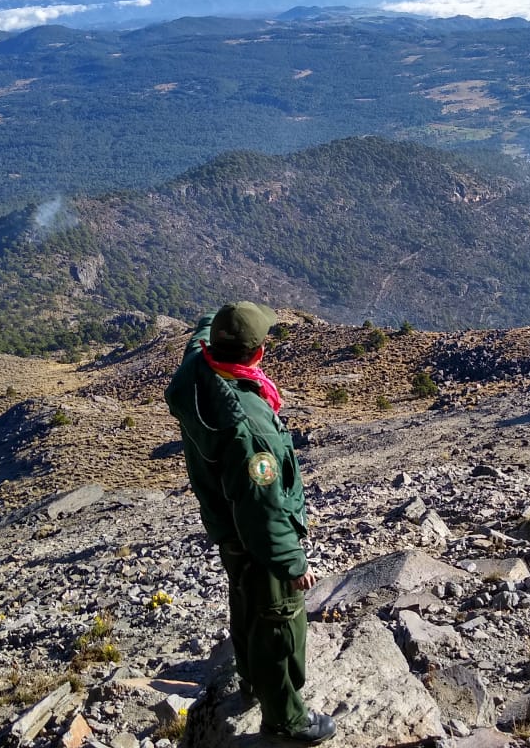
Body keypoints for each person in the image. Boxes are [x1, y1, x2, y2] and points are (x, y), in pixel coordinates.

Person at [165, 302, 336, 744]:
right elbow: (261, 507)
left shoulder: (199, 368)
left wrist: (222, 317)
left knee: (245, 604)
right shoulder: (248, 426)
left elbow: (200, 334)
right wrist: (292, 563)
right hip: (255, 536)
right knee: (279, 621)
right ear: (256, 354)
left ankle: (250, 679)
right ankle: (286, 718)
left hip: (228, 530)